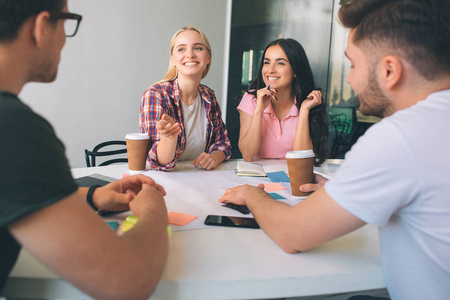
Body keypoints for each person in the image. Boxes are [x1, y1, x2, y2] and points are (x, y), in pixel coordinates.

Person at [219, 0, 450, 299]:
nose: (350, 78)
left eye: (353, 65)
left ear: (390, 70)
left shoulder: (397, 138)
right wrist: (343, 188)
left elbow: (292, 234)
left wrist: (252, 194)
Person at [0, 1, 169, 298]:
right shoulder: (15, 129)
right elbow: (127, 280)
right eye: (67, 21)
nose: (65, 38)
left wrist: (93, 195)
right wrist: (153, 209)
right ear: (41, 27)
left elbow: (10, 189)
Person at [139, 26, 232, 171]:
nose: (190, 54)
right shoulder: (156, 94)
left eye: (198, 48)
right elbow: (159, 162)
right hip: (161, 180)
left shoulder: (208, 96)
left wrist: (214, 156)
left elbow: (223, 143)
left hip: (199, 178)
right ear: (173, 59)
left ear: (208, 57)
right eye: (181, 49)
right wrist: (170, 137)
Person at [237, 38, 328, 165]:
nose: (270, 70)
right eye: (266, 62)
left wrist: (304, 111)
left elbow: (303, 160)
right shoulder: (250, 99)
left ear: (295, 70)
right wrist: (259, 110)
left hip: (293, 174)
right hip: (258, 174)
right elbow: (247, 155)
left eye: (280, 63)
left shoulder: (308, 101)